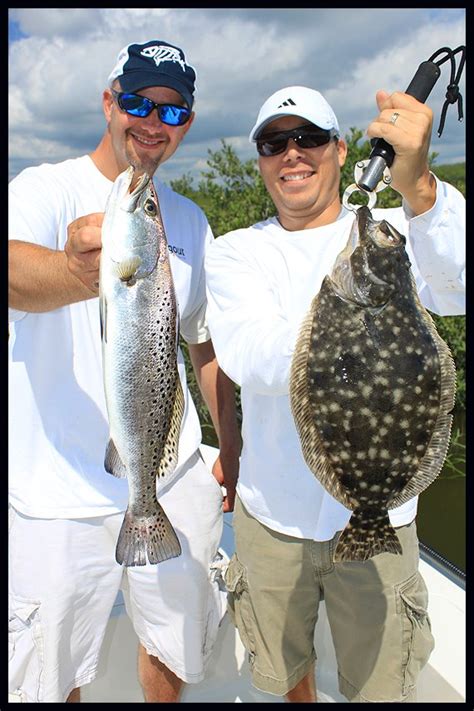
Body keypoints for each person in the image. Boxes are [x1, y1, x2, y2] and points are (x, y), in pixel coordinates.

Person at [204, 85, 465, 703]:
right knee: (284, 672)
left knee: (382, 687)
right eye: (274, 143)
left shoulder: (396, 228)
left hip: (384, 513)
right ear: (261, 160)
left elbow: (454, 286)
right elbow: (249, 357)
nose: (292, 154)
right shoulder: (238, 251)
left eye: (310, 138)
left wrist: (420, 183)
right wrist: (360, 323)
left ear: (342, 150)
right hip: (273, 517)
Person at [8, 39, 240, 703]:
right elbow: (12, 272)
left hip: (170, 476)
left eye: (171, 111)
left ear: (187, 124)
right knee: (53, 675)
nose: (151, 121)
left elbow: (204, 346)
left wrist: (234, 446)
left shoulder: (192, 220)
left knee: (172, 649)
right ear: (109, 102)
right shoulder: (43, 189)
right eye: (137, 101)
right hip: (55, 494)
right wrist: (80, 272)